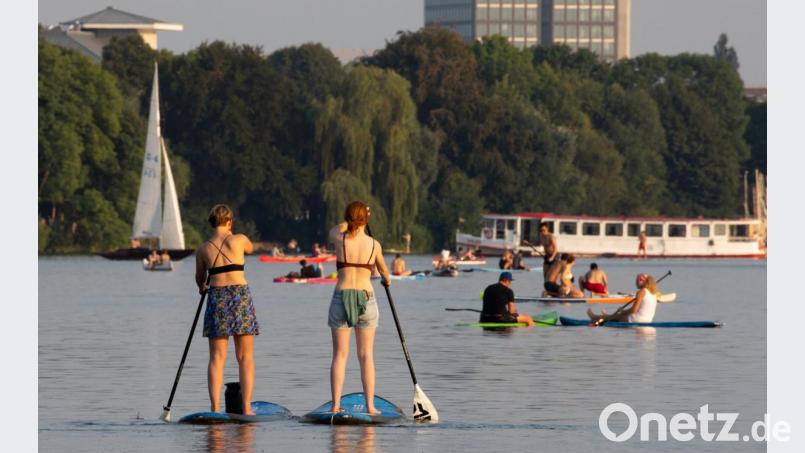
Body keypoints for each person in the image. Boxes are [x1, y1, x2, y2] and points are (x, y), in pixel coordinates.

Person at [328, 201, 391, 415]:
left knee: (340, 355)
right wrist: (387, 280)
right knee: (366, 355)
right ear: (366, 219)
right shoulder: (374, 245)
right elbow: (384, 272)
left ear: (347, 218)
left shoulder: (339, 238)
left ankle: (335, 405)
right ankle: (370, 406)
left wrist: (351, 219)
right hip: (366, 297)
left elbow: (337, 228)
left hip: (342, 297)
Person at [195, 204, 257, 415]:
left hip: (217, 297)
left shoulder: (203, 249)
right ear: (229, 221)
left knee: (217, 357)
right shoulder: (239, 239)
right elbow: (251, 249)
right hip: (239, 296)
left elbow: (200, 279)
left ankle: (215, 408)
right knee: (245, 357)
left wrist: (202, 287)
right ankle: (246, 407)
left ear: (211, 223)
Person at [588, 274, 658, 323]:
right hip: (648, 320)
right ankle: (606, 316)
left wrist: (622, 311)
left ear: (643, 281)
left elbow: (634, 310)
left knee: (618, 315)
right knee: (617, 315)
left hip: (637, 320)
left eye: (638, 280)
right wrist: (623, 312)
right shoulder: (654, 293)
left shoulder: (642, 291)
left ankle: (595, 317)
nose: (636, 282)